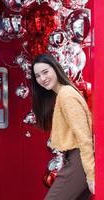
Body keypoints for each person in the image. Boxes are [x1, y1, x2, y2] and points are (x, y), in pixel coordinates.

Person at [31, 53, 95, 200]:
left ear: (55, 69)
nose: (42, 78)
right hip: (77, 160)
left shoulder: (66, 95)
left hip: (80, 161)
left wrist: (91, 175)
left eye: (45, 72)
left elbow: (84, 137)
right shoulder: (64, 93)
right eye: (38, 76)